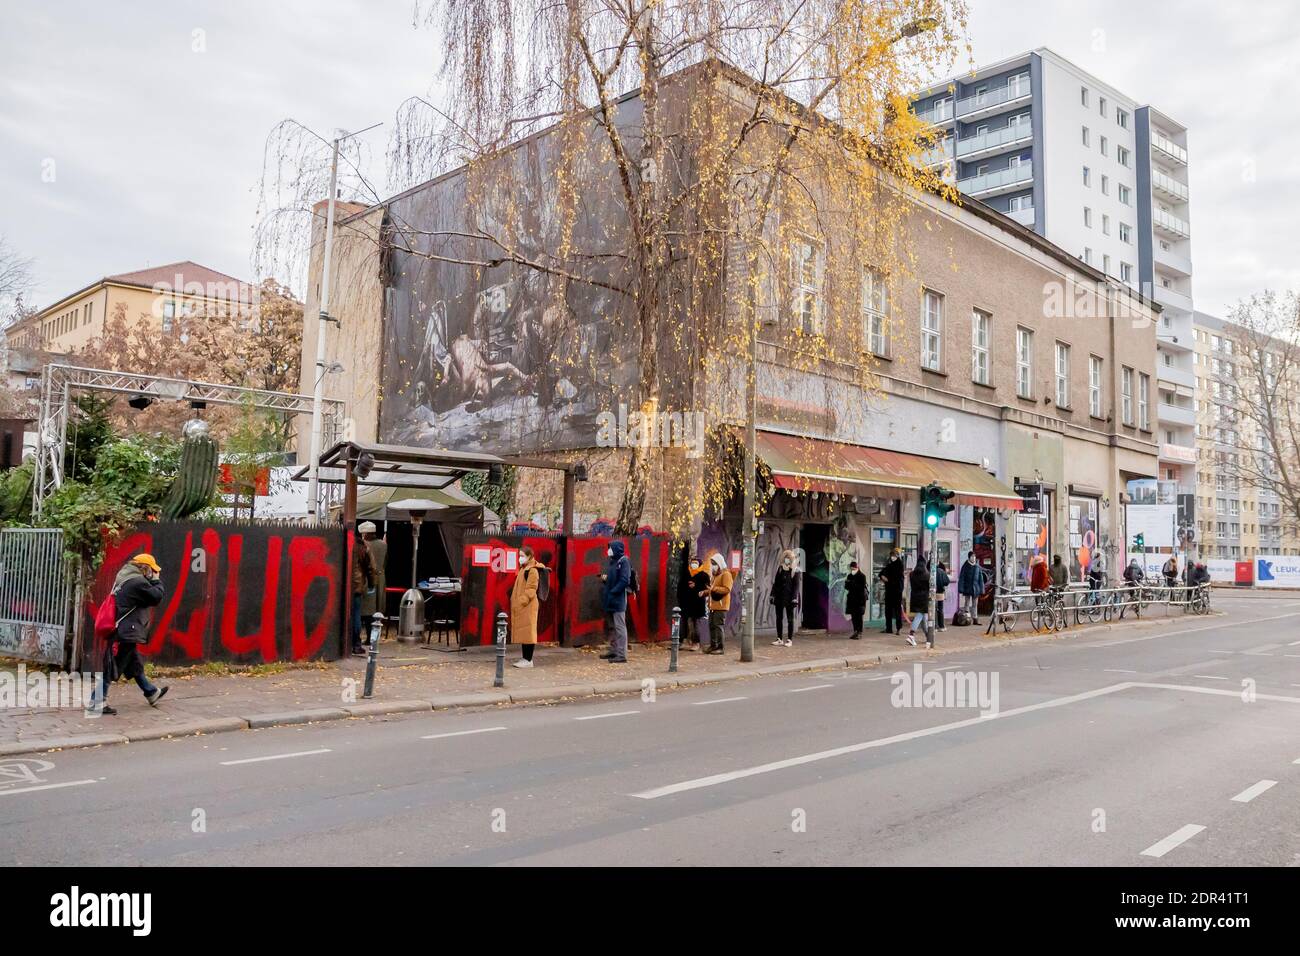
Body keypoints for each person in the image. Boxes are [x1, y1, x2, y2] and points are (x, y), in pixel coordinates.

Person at [86, 554, 169, 716]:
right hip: (126, 632)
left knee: (134, 664)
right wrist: (156, 580)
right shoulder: (137, 582)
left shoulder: (125, 579)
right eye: (152, 570)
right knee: (113, 666)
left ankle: (151, 692)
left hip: (123, 631)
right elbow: (156, 597)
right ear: (144, 568)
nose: (154, 573)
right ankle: (96, 702)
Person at [510, 546, 543, 668]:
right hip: (524, 606)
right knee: (525, 633)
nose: (520, 558)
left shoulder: (532, 570)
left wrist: (521, 601)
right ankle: (525, 658)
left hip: (528, 606)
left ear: (529, 556)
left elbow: (531, 589)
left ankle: (528, 660)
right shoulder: (524, 568)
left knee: (528, 633)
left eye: (522, 555)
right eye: (519, 555)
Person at [599, 540, 631, 663]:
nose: (609, 550)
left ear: (617, 549)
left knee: (619, 627)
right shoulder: (613, 562)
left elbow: (624, 580)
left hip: (618, 600)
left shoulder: (624, 561)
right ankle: (614, 650)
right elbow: (614, 578)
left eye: (611, 548)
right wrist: (606, 579)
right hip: (610, 599)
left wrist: (613, 591)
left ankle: (622, 654)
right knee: (612, 627)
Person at [350, 529, 376, 655]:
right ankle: (356, 644)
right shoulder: (363, 546)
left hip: (340, 586)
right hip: (356, 585)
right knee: (356, 615)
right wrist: (372, 584)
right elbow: (371, 568)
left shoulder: (342, 543)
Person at [358, 522, 387, 630]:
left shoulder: (364, 545)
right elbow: (385, 562)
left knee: (367, 608)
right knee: (377, 606)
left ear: (365, 534)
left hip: (367, 578)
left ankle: (369, 633)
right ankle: (376, 629)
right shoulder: (384, 544)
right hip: (381, 577)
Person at [678, 556, 711, 651]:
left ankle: (696, 642)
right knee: (683, 622)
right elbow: (680, 587)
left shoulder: (704, 575)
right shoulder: (686, 574)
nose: (694, 564)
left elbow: (707, 589)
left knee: (696, 623)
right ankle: (683, 641)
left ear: (700, 564)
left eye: (696, 563)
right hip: (685, 603)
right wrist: (680, 599)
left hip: (697, 604)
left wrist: (696, 586)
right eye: (692, 562)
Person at [770, 549, 801, 647]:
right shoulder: (780, 569)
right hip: (779, 597)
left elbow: (796, 586)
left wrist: (794, 598)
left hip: (790, 598)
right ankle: (779, 638)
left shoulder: (795, 570)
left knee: (790, 619)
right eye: (785, 558)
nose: (787, 560)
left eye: (789, 558)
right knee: (779, 618)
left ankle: (789, 639)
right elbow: (776, 583)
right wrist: (772, 594)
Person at [706, 552, 733, 655]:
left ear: (720, 563)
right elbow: (711, 589)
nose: (713, 565)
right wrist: (705, 592)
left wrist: (714, 588)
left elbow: (727, 589)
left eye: (714, 563)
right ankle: (713, 646)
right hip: (713, 605)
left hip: (721, 605)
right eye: (712, 563)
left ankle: (720, 647)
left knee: (718, 626)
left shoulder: (726, 574)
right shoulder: (715, 576)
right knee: (712, 625)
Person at [878, 548, 905, 635]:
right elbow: (882, 572)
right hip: (889, 590)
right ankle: (889, 628)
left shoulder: (900, 565)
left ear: (897, 556)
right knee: (888, 610)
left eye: (894, 556)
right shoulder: (890, 564)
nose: (892, 557)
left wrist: (887, 579)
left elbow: (896, 578)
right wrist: (882, 576)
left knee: (897, 610)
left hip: (897, 591)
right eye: (891, 556)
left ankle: (898, 628)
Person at [905, 558, 931, 646]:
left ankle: (928, 636)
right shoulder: (927, 575)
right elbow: (929, 587)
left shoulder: (912, 574)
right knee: (920, 615)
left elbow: (909, 586)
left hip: (915, 597)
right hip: (924, 598)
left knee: (923, 618)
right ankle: (911, 635)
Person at [957, 551, 986, 625]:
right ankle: (966, 618)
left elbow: (981, 579)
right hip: (967, 587)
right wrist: (961, 588)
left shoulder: (977, 566)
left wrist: (982, 589)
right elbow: (962, 577)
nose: (973, 558)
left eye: (974, 557)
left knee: (975, 604)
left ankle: (975, 619)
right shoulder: (965, 566)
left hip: (976, 588)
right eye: (972, 556)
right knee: (967, 603)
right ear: (969, 557)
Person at [844, 559, 868, 640]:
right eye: (851, 569)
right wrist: (850, 584)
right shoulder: (849, 576)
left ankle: (859, 632)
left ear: (857, 568)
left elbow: (860, 588)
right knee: (853, 616)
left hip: (860, 599)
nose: (852, 570)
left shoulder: (862, 576)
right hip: (851, 599)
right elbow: (846, 587)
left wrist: (851, 584)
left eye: (854, 569)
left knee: (859, 617)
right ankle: (855, 631)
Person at [933, 560, 951, 631]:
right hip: (940, 593)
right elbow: (947, 581)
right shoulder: (941, 571)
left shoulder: (930, 571)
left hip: (932, 593)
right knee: (940, 609)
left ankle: (934, 627)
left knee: (933, 609)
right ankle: (941, 626)